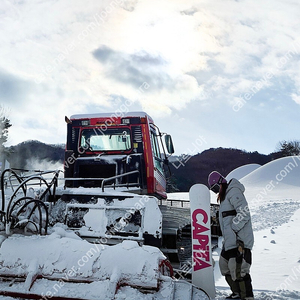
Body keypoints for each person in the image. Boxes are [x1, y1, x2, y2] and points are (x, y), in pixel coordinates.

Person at [208, 171, 254, 300]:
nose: (216, 191)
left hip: (240, 241)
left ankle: (246, 297)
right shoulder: (225, 197)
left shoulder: (233, 191)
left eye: (216, 188)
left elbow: (244, 213)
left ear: (220, 183)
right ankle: (237, 293)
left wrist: (233, 228)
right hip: (229, 241)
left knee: (239, 270)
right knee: (224, 266)